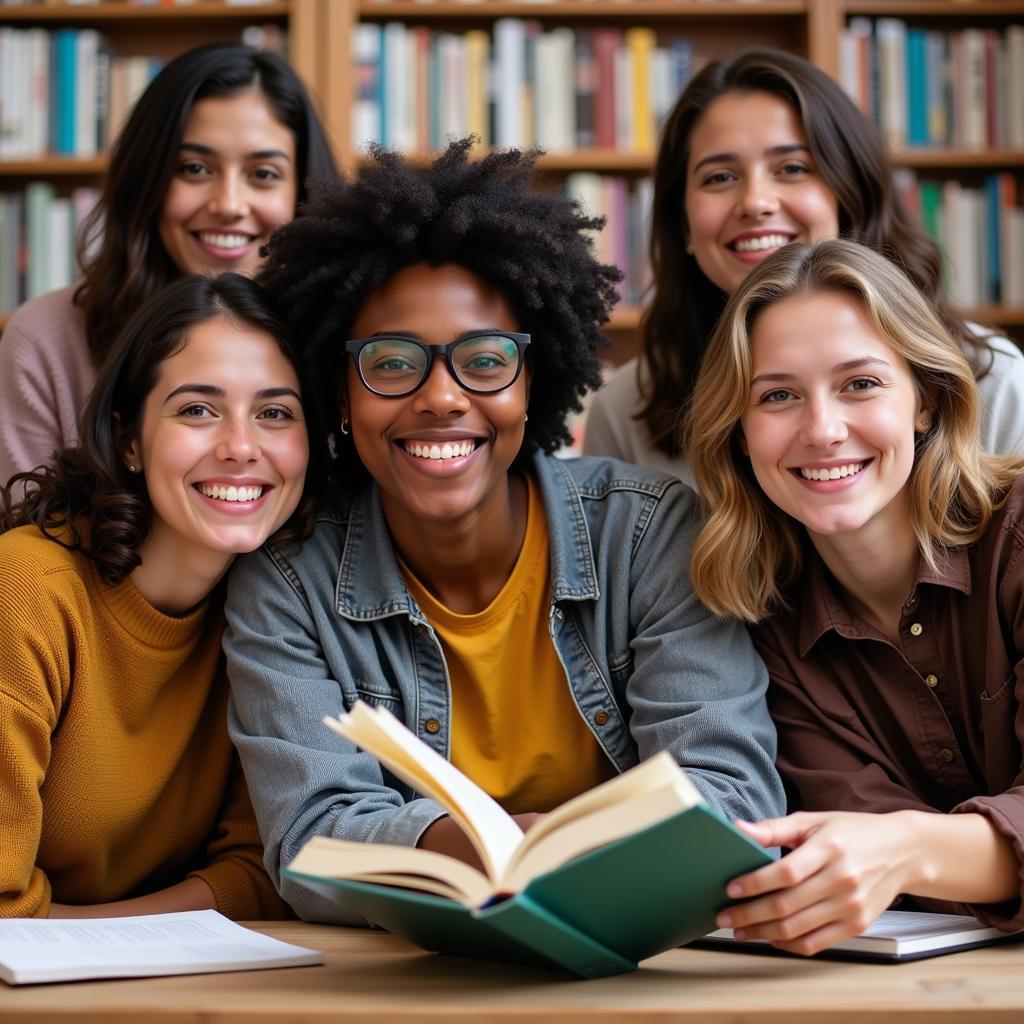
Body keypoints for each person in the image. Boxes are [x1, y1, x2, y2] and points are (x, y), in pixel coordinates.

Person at [224, 139, 785, 921]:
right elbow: (311, 845)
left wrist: (545, 850)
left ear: (535, 381)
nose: (443, 398)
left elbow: (732, 795)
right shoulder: (287, 582)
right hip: (407, 980)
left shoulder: (652, 534)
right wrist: (495, 844)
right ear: (339, 395)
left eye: (485, 361)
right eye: (391, 363)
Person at [684, 237, 1024, 956]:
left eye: (861, 384)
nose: (823, 430)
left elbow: (885, 853)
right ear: (740, 435)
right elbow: (849, 850)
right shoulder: (757, 627)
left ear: (925, 402)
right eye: (778, 395)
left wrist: (906, 848)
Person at [0, 272, 315, 918]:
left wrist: (86, 934)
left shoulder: (274, 614)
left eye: (275, 412)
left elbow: (265, 872)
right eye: (197, 409)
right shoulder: (27, 591)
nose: (240, 447)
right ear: (128, 441)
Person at [583, 49, 1024, 487]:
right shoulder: (624, 411)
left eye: (792, 168)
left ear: (849, 195)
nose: (755, 201)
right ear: (682, 223)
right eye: (719, 177)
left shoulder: (994, 383)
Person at [0, 42, 337, 486]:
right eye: (195, 168)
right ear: (148, 181)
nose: (229, 205)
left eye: (263, 174)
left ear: (303, 194)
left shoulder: (343, 340)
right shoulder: (47, 341)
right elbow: (26, 541)